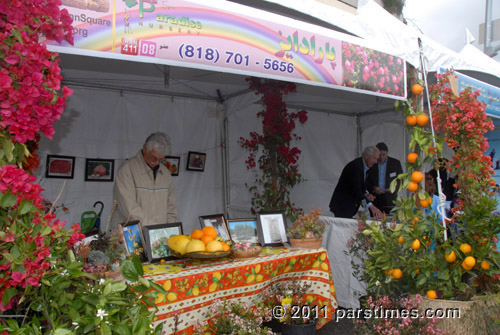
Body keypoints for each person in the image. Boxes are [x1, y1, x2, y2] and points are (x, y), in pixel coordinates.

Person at [107, 132, 178, 234]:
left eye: (161, 159)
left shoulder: (166, 173)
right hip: (130, 235)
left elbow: (171, 206)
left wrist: (169, 229)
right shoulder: (127, 170)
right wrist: (154, 230)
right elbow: (129, 209)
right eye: (154, 157)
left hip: (158, 235)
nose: (157, 162)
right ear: (145, 149)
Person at [329, 146, 383, 219]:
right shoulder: (355, 167)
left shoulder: (364, 167)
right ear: (366, 156)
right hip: (342, 205)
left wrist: (369, 192)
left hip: (349, 206)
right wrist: (371, 206)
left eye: (377, 159)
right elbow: (356, 190)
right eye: (374, 158)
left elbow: (362, 186)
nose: (376, 161)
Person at [366, 142, 403, 215]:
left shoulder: (395, 163)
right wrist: (374, 188)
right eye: (380, 155)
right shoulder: (372, 164)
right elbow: (366, 182)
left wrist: (393, 189)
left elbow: (401, 180)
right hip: (376, 200)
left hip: (391, 200)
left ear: (387, 153)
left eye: (384, 155)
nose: (382, 157)